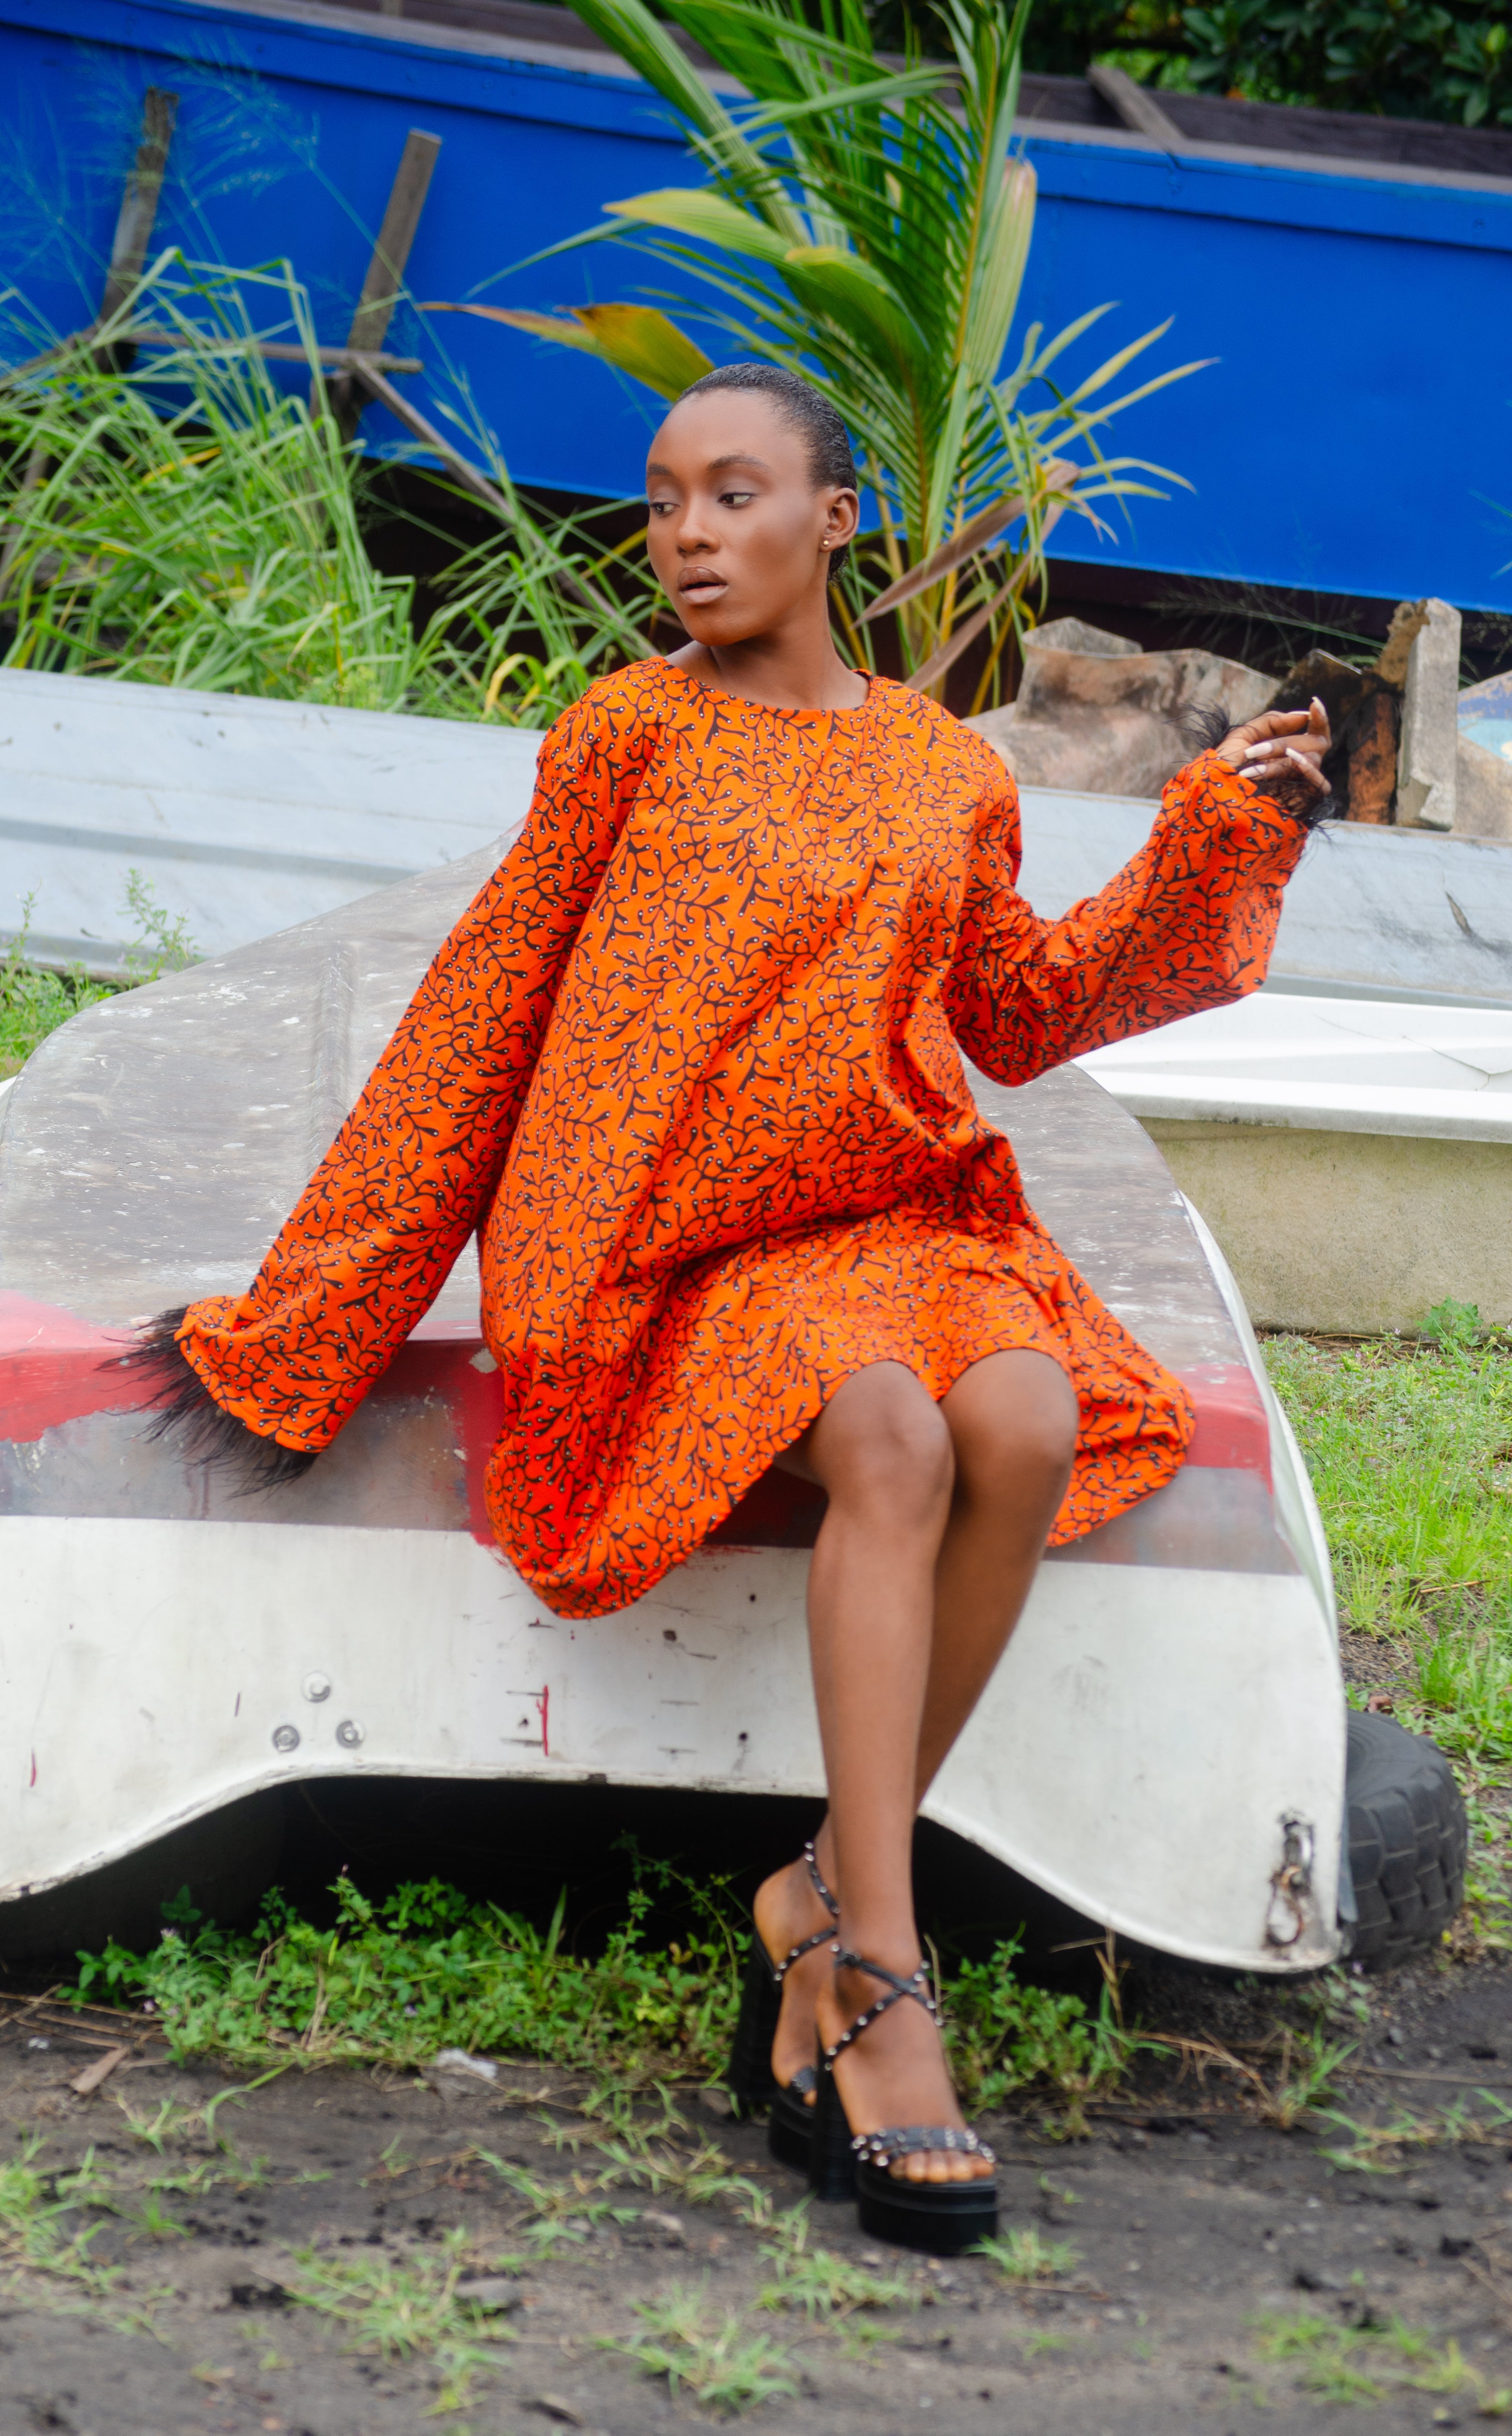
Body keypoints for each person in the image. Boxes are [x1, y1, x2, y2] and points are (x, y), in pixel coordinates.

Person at [143, 361, 1332, 2254]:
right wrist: (324, 1307)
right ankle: (881, 1972)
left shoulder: (949, 769)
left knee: (1022, 1416)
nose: (688, 534)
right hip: (659, 1245)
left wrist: (1218, 835)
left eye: (735, 494)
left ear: (835, 517)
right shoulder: (622, 736)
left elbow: (1016, 1014)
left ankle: (812, 1903)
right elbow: (482, 1018)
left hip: (889, 1206)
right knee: (888, 1430)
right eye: (665, 498)